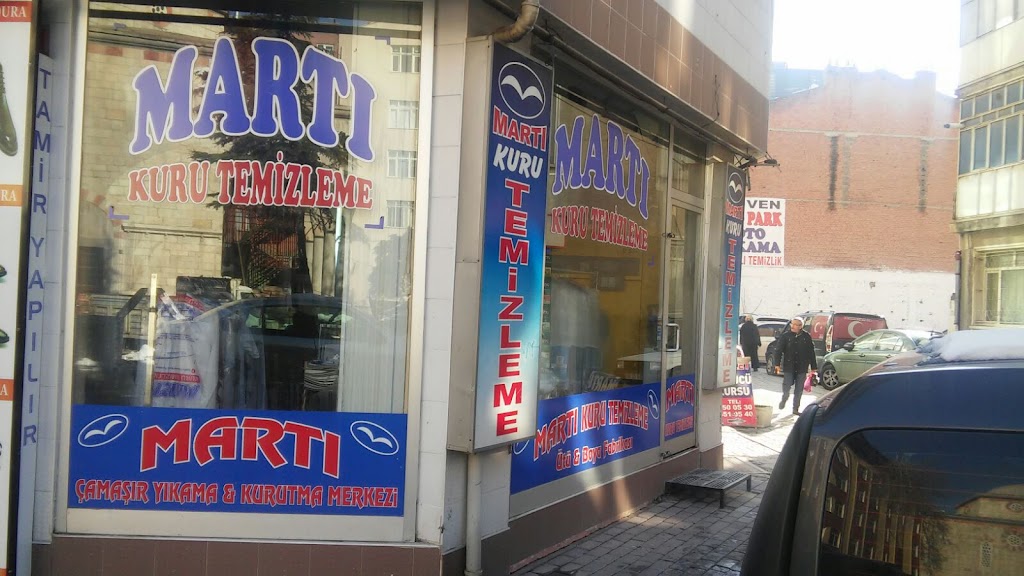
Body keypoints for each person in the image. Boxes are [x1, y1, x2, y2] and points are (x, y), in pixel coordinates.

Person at [773, 317, 817, 415]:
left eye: (795, 324)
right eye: (792, 324)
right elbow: (778, 350)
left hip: (802, 367)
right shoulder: (785, 336)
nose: (792, 326)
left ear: (801, 326)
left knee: (799, 389)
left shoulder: (806, 336)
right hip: (789, 366)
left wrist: (813, 367)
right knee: (787, 386)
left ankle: (795, 408)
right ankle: (784, 398)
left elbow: (811, 352)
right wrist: (777, 364)